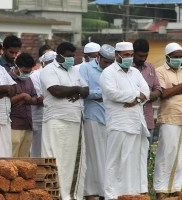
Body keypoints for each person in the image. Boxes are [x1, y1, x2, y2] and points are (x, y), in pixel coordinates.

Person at [100, 42, 150, 199]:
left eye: (131, 54)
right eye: (126, 55)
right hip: (118, 123)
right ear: (117, 55)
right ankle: (111, 196)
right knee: (114, 162)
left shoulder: (135, 72)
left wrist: (136, 98)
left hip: (136, 122)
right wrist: (137, 96)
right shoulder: (108, 73)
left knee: (132, 162)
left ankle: (130, 194)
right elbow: (112, 93)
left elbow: (147, 91)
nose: (129, 58)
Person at [40, 42, 89, 200]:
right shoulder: (49, 70)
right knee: (55, 159)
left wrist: (78, 90)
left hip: (74, 120)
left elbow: (86, 89)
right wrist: (76, 89)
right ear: (59, 55)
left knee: (71, 161)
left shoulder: (74, 70)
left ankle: (70, 195)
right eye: (68, 56)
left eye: (73, 56)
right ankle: (55, 195)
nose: (71, 59)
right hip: (56, 121)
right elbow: (56, 91)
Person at [79, 44, 115, 200]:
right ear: (98, 57)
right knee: (93, 157)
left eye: (110, 63)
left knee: (108, 157)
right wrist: (103, 93)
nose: (108, 66)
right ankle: (92, 193)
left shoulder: (114, 71)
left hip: (111, 118)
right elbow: (82, 91)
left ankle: (105, 191)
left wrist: (106, 95)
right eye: (105, 62)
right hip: (92, 116)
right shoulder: (85, 68)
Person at [154, 42, 182, 199]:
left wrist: (176, 88)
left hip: (181, 117)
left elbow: (172, 90)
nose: (179, 59)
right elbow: (163, 93)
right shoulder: (160, 71)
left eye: (181, 57)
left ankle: (176, 188)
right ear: (167, 57)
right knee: (166, 154)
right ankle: (161, 190)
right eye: (175, 57)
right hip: (169, 118)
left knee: (180, 157)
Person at [9, 53, 40, 157]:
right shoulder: (7, 78)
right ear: (17, 66)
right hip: (13, 124)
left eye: (29, 71)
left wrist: (28, 99)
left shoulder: (28, 79)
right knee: (11, 158)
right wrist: (22, 96)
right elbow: (5, 101)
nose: (27, 74)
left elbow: (35, 98)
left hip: (28, 124)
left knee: (24, 159)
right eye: (25, 71)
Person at [133, 39, 162, 146]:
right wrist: (148, 95)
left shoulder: (150, 67)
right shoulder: (127, 68)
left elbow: (158, 88)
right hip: (131, 121)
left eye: (146, 55)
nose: (143, 58)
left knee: (146, 155)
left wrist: (155, 94)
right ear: (133, 53)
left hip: (147, 119)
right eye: (140, 56)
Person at [30, 45, 56, 157]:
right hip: (39, 118)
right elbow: (39, 99)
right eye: (49, 60)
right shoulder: (35, 76)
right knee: (37, 150)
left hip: (55, 117)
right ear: (42, 60)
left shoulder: (58, 74)